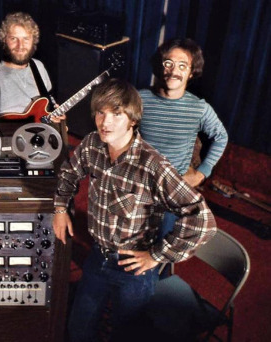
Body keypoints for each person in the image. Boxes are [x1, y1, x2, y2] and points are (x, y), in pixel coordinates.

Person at [52, 79, 217, 341]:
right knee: (78, 330)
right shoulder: (93, 144)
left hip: (134, 271)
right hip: (98, 257)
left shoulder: (152, 165)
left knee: (126, 335)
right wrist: (61, 208)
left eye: (116, 114)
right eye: (100, 112)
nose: (105, 122)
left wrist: (156, 256)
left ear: (133, 120)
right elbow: (69, 173)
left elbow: (203, 220)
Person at [139, 38, 228, 242]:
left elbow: (221, 137)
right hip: (139, 185)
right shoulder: (140, 98)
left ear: (191, 72)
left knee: (162, 243)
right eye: (168, 63)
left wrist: (202, 172)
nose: (174, 70)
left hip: (174, 191)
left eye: (182, 65)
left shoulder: (199, 108)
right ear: (160, 67)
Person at [0, 12, 65, 124]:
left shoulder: (39, 67)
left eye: (26, 39)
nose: (20, 46)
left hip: (38, 136)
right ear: (4, 40)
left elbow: (47, 100)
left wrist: (53, 111)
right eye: (13, 39)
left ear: (34, 41)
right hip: (7, 138)